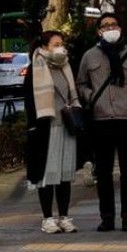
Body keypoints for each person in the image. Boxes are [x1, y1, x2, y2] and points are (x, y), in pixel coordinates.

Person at [76, 12, 127, 232]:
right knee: (104, 172)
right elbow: (81, 83)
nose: (110, 28)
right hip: (101, 120)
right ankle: (106, 217)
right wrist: (91, 98)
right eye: (105, 25)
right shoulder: (89, 56)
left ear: (120, 28)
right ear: (99, 31)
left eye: (114, 24)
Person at [23, 30, 81, 234]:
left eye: (62, 43)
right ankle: (47, 218)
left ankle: (64, 217)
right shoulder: (36, 67)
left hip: (66, 127)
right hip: (46, 128)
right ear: (45, 45)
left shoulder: (64, 65)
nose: (61, 46)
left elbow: (72, 93)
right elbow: (30, 100)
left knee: (65, 174)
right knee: (47, 174)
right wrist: (33, 126)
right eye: (57, 43)